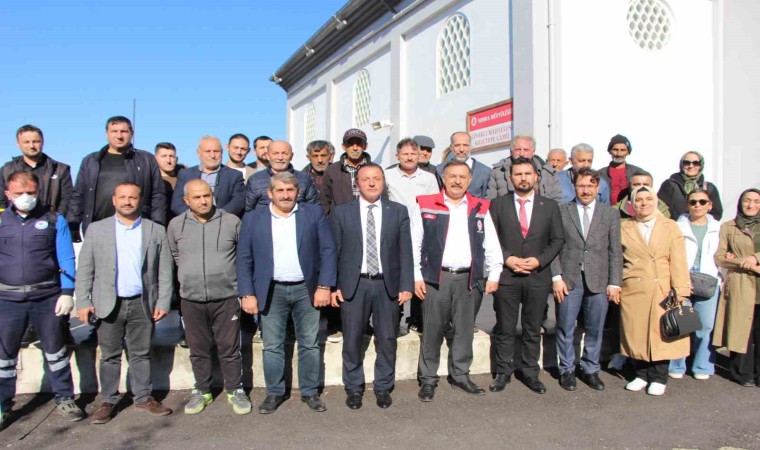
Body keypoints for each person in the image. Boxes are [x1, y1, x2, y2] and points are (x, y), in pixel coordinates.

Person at [237, 172, 337, 414]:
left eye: (290, 190)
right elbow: (244, 257)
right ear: (269, 193)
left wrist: (324, 286)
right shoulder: (253, 218)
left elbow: (328, 250)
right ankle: (274, 392)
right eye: (280, 191)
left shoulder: (312, 213)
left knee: (309, 344)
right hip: (271, 290)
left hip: (306, 289)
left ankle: (310, 391)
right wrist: (247, 293)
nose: (285, 195)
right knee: (272, 345)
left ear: (297, 192)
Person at [75, 183, 173, 424]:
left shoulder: (155, 230)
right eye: (123, 197)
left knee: (141, 353)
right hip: (109, 303)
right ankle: (108, 400)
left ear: (140, 200)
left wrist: (163, 300)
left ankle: (143, 397)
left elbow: (164, 270)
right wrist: (84, 301)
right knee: (110, 355)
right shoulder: (97, 229)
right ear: (114, 200)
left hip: (142, 302)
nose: (127, 202)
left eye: (132, 197)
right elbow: (85, 268)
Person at [0, 172, 84, 430]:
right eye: (19, 193)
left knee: (56, 351)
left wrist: (67, 292)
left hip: (47, 297)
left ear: (38, 192)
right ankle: (2, 404)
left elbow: (66, 257)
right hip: (8, 300)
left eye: (31, 192)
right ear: (8, 194)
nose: (25, 197)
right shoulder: (1, 220)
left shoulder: (53, 219)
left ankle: (65, 398)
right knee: (4, 356)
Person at [412, 160, 502, 401]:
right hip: (435, 278)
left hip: (469, 279)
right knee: (432, 330)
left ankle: (460, 375)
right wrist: (416, 276)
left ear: (470, 180)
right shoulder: (426, 204)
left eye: (462, 177)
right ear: (443, 178)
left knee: (464, 331)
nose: (457, 181)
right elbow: (414, 243)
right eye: (452, 176)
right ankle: (428, 378)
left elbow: (491, 243)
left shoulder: (480, 207)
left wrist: (494, 274)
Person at [330, 164, 413, 410]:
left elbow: (405, 251)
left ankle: (383, 386)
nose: (372, 183)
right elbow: (333, 252)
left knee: (387, 338)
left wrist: (406, 284)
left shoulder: (397, 211)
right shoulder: (342, 212)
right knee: (352, 339)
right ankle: (354, 387)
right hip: (354, 285)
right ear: (357, 184)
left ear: (383, 182)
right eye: (366, 179)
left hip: (387, 285)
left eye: (377, 178)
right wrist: (334, 285)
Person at [167, 179, 251, 415]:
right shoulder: (176, 225)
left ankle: (235, 389)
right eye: (197, 197)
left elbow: (243, 256)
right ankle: (202, 390)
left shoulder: (231, 221)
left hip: (226, 296)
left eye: (207, 195)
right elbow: (175, 255)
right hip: (191, 298)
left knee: (229, 348)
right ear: (187, 201)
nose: (203, 201)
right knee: (198, 348)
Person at [488, 157, 564, 394]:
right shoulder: (497, 205)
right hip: (508, 276)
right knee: (505, 327)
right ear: (510, 178)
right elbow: (490, 238)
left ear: (535, 177)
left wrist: (539, 261)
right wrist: (507, 258)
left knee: (532, 328)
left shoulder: (549, 206)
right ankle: (503, 372)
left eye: (527, 174)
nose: (523, 178)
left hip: (537, 276)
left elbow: (557, 239)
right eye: (518, 174)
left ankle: (531, 372)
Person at [551, 168, 622, 392]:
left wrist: (614, 282)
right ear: (574, 186)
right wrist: (556, 277)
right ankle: (567, 369)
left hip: (598, 279)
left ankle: (590, 369)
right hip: (568, 280)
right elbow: (553, 247)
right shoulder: (562, 211)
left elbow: (615, 251)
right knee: (565, 327)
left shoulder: (610, 214)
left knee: (595, 328)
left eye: (590, 186)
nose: (586, 190)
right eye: (581, 186)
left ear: (597, 188)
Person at [617, 186, 690, 396]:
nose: (644, 203)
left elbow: (678, 259)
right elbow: (617, 258)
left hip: (662, 287)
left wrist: (681, 289)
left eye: (648, 199)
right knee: (636, 332)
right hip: (634, 287)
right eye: (639, 200)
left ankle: (659, 377)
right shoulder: (624, 227)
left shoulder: (670, 226)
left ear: (656, 201)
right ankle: (641, 374)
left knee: (662, 333)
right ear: (632, 204)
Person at [68, 116, 166, 240]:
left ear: (132, 133)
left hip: (135, 228)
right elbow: (78, 195)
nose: (119, 136)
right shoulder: (91, 161)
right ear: (107, 133)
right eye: (114, 131)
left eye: (124, 131)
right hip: (97, 228)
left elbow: (158, 194)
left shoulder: (147, 159)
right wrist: (72, 223)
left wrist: (157, 224)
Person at [385, 138, 440, 335]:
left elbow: (434, 204)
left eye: (413, 154)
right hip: (394, 232)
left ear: (419, 156)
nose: (409, 157)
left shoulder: (429, 178)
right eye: (405, 154)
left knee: (419, 274)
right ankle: (394, 317)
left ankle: (416, 318)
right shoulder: (387, 175)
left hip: (421, 233)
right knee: (395, 274)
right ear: (397, 156)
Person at [668, 188, 722, 380]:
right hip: (683, 278)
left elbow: (723, 254)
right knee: (682, 323)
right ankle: (676, 365)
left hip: (709, 280)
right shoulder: (676, 227)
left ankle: (702, 365)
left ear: (710, 205)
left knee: (705, 326)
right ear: (687, 205)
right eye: (693, 202)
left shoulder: (719, 228)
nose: (697, 205)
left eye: (702, 202)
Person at [713, 188, 760, 387]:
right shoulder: (728, 227)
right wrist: (745, 263)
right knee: (741, 330)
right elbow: (720, 258)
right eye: (747, 200)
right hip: (742, 283)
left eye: (756, 201)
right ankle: (743, 373)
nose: (751, 205)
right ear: (740, 203)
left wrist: (755, 257)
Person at [0, 125, 73, 215]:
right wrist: (6, 218)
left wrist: (57, 218)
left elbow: (67, 200)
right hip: (15, 221)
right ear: (18, 143)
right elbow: (1, 200)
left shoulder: (60, 169)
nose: (31, 146)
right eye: (26, 142)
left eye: (36, 141)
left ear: (42, 142)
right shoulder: (6, 170)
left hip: (49, 220)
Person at [172, 135, 245, 218]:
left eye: (216, 151)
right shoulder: (185, 175)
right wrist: (195, 218)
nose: (212, 155)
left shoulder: (234, 176)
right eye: (208, 151)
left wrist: (219, 218)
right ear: (198, 153)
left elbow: (238, 202)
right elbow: (177, 204)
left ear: (222, 152)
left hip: (223, 222)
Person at [245, 140, 319, 211]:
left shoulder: (304, 179)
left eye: (284, 153)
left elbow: (314, 209)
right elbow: (248, 210)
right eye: (275, 153)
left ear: (291, 156)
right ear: (268, 156)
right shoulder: (255, 180)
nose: (280, 158)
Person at [485, 134, 563, 202]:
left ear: (533, 152)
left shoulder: (549, 173)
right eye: (518, 150)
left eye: (526, 150)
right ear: (511, 151)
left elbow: (558, 203)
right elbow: (490, 200)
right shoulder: (498, 172)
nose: (521, 154)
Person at [320, 128, 375, 216]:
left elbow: (383, 198)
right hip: (340, 220)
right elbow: (325, 201)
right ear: (344, 147)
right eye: (350, 144)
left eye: (359, 144)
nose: (355, 148)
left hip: (368, 219)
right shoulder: (332, 170)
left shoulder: (375, 169)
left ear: (365, 146)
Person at [658, 151, 723, 220]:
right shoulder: (670, 185)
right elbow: (661, 209)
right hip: (676, 226)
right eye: (686, 163)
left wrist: (700, 222)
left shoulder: (709, 187)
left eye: (696, 163)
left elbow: (716, 213)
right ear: (681, 165)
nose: (691, 166)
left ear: (701, 165)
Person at [436, 132, 490, 198]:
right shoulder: (440, 169)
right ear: (451, 147)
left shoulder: (484, 171)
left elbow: (485, 199)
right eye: (457, 145)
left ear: (470, 147)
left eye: (465, 145)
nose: (461, 149)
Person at [599, 134, 643, 204]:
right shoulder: (600, 174)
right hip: (607, 209)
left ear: (628, 152)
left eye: (623, 150)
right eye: (615, 150)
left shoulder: (638, 173)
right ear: (609, 151)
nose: (619, 154)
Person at [154, 142, 184, 223]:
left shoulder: (185, 178)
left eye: (171, 156)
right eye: (164, 156)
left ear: (176, 159)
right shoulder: (151, 179)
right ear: (155, 158)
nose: (168, 160)